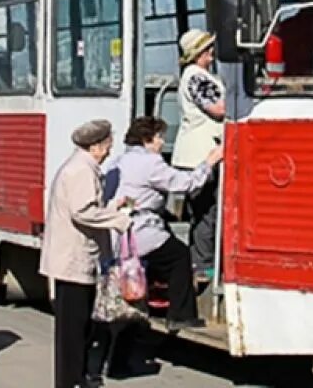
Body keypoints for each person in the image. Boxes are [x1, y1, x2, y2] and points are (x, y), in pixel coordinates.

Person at [39, 119, 132, 388]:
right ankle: (68, 381)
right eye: (107, 146)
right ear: (96, 147)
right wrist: (116, 219)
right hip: (73, 259)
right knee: (72, 329)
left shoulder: (81, 167)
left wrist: (113, 205)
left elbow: (86, 205)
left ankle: (76, 377)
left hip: (76, 257)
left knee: (79, 325)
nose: (108, 152)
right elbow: (83, 212)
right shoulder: (81, 170)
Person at [110, 116, 224, 331]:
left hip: (119, 228)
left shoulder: (120, 160)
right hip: (140, 229)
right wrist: (210, 161)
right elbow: (185, 183)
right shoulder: (150, 162)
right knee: (179, 256)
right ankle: (180, 315)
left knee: (161, 254)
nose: (162, 142)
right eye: (159, 137)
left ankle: (153, 300)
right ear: (147, 139)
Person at [171, 29, 225, 279]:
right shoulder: (197, 78)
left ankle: (203, 262)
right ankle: (203, 266)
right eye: (207, 49)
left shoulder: (196, 76)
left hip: (197, 153)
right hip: (201, 154)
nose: (212, 53)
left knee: (206, 211)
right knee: (206, 212)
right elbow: (218, 109)